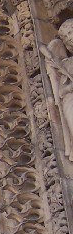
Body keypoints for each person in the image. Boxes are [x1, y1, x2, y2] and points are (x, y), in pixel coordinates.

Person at [42, 20, 73, 163]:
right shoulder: (66, 64)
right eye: (68, 35)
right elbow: (61, 93)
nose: (71, 36)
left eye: (72, 32)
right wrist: (69, 88)